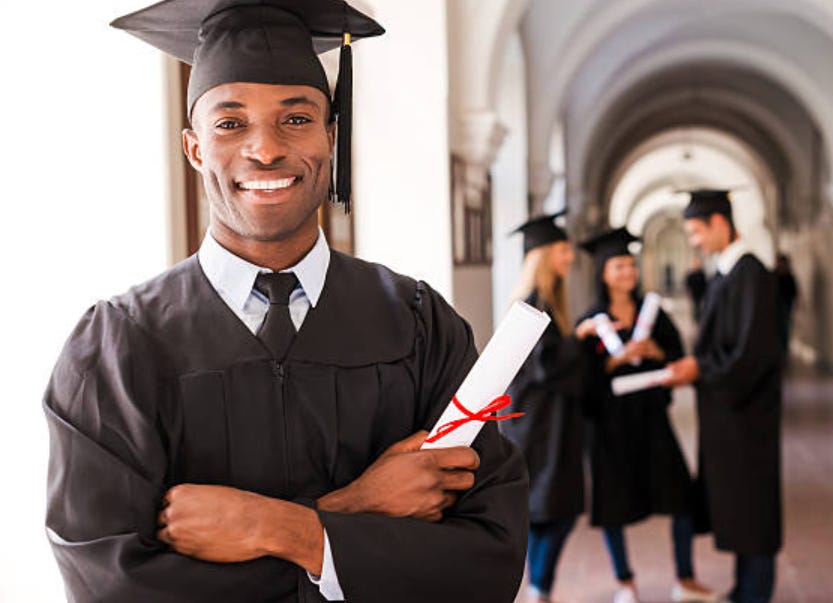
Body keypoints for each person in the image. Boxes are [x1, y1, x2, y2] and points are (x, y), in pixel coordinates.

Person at [43, 2, 529, 602]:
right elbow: (109, 588)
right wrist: (353, 512)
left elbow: (489, 563)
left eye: (296, 119)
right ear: (195, 149)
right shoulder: (116, 349)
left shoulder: (422, 327)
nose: (265, 149)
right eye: (230, 123)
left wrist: (278, 529)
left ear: (331, 136)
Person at [574, 228, 717, 603]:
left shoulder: (652, 313)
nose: (628, 273)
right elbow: (581, 379)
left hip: (651, 417)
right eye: (619, 266)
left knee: (680, 497)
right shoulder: (591, 321)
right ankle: (625, 582)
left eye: (631, 265)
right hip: (609, 423)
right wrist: (614, 360)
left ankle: (685, 579)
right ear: (604, 272)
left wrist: (655, 351)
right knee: (613, 505)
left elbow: (676, 356)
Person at [664, 190, 783, 603]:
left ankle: (755, 593)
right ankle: (744, 588)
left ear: (720, 223)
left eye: (697, 230)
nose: (694, 240)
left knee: (753, 511)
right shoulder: (728, 274)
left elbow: (752, 353)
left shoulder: (750, 275)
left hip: (748, 418)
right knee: (739, 507)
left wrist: (700, 369)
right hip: (729, 417)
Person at [500, 212, 586, 603]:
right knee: (552, 510)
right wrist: (579, 341)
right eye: (564, 250)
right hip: (539, 427)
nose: (570, 257)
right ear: (545, 255)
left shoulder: (549, 303)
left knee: (550, 510)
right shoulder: (532, 305)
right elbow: (546, 367)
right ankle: (539, 589)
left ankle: (539, 586)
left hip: (551, 423)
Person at [774, 253, 798, 356]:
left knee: (785, 328)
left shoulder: (789, 277)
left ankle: (783, 350)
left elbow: (794, 293)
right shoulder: (775, 276)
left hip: (786, 306)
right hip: (776, 307)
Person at [685, 257, 708, 323]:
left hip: (701, 293)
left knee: (701, 307)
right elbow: (688, 284)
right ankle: (696, 318)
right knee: (695, 307)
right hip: (694, 293)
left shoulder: (702, 274)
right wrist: (689, 292)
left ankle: (700, 318)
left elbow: (705, 283)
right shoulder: (691, 274)